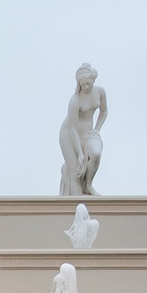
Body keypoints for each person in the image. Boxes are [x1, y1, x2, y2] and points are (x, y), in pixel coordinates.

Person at [57, 64, 107, 196]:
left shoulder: (100, 92)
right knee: (75, 172)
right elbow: (72, 128)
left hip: (89, 132)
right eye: (82, 84)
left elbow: (104, 111)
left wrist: (96, 129)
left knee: (96, 153)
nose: (85, 87)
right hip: (69, 134)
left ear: (93, 80)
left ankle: (88, 185)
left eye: (88, 83)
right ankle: (77, 203)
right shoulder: (75, 100)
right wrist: (79, 154)